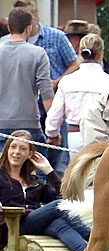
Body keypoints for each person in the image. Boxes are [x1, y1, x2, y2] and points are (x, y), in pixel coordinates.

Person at [0, 130, 109, 251]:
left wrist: (49, 171)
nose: (16, 152)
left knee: (59, 224)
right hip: (12, 226)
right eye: (13, 147)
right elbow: (59, 204)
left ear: (30, 154)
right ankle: (105, 243)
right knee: (58, 207)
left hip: (34, 224)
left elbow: (65, 196)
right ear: (7, 149)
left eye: (22, 149)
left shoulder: (34, 181)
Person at [13, 0, 79, 178]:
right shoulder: (9, 45)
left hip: (53, 104)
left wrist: (58, 81)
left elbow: (74, 64)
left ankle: (55, 194)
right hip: (26, 107)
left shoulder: (56, 37)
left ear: (35, 16)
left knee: (57, 157)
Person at [45, 33, 109, 159]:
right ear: (100, 54)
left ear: (80, 53)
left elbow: (54, 114)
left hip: (75, 135)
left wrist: (52, 134)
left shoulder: (67, 81)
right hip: (102, 134)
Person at [0, 7, 54, 154]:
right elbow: (46, 93)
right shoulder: (38, 54)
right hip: (29, 123)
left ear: (9, 27)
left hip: (1, 124)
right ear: (28, 28)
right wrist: (54, 128)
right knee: (39, 168)